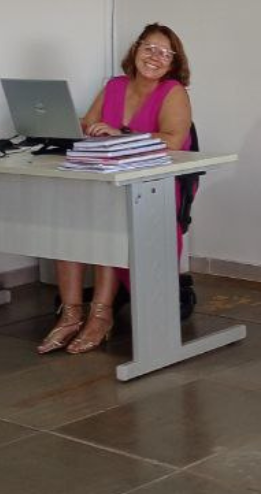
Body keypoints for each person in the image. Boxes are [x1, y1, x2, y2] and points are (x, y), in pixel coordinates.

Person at [37, 23, 193, 355]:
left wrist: (120, 134)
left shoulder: (173, 92)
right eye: (148, 47)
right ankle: (70, 315)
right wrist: (67, 125)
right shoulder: (115, 85)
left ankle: (101, 315)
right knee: (67, 222)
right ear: (135, 49)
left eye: (164, 53)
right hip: (105, 178)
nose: (154, 56)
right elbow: (87, 124)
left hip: (151, 187)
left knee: (104, 219)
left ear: (174, 62)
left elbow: (174, 139)